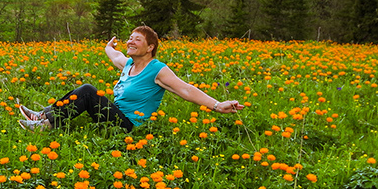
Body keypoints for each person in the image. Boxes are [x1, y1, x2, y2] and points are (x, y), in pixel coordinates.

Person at [19, 25, 244, 130]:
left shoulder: (157, 70)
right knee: (86, 92)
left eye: (137, 39)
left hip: (128, 124)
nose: (130, 42)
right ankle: (45, 118)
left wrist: (216, 105)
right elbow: (114, 55)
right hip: (113, 118)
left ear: (150, 47)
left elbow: (184, 89)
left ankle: (45, 121)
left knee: (88, 91)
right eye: (129, 38)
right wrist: (109, 47)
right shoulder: (128, 64)